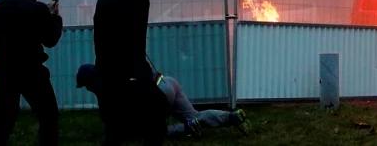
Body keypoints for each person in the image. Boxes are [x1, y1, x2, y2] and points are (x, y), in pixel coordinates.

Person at [94, 0, 167, 145]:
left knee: (115, 132)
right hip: (127, 76)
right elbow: (135, 43)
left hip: (106, 76)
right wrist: (144, 76)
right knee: (158, 112)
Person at [0, 0, 63, 146]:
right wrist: (55, 17)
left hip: (1, 69)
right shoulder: (38, 9)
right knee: (48, 117)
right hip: (30, 71)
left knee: (4, 120)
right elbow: (50, 40)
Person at [76, 63, 249, 138]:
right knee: (194, 114)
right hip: (167, 82)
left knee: (155, 132)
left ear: (91, 81)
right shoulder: (113, 72)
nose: (87, 89)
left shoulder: (105, 87)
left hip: (156, 93)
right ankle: (231, 117)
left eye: (86, 86)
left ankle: (187, 128)